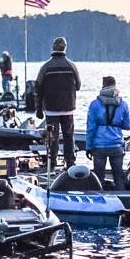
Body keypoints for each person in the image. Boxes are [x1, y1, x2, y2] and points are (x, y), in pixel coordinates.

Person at [35, 37, 83, 172]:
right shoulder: (72, 66)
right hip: (68, 108)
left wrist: (38, 109)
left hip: (51, 109)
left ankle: (52, 163)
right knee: (69, 136)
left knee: (52, 137)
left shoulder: (46, 67)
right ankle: (70, 163)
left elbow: (38, 88)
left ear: (53, 47)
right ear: (65, 48)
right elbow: (78, 86)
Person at [85, 76, 130, 190]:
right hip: (116, 145)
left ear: (103, 86)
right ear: (114, 86)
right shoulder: (123, 104)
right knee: (119, 177)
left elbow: (91, 128)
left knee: (98, 178)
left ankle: (99, 197)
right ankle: (122, 197)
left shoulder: (94, 104)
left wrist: (88, 147)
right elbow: (128, 126)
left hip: (99, 146)